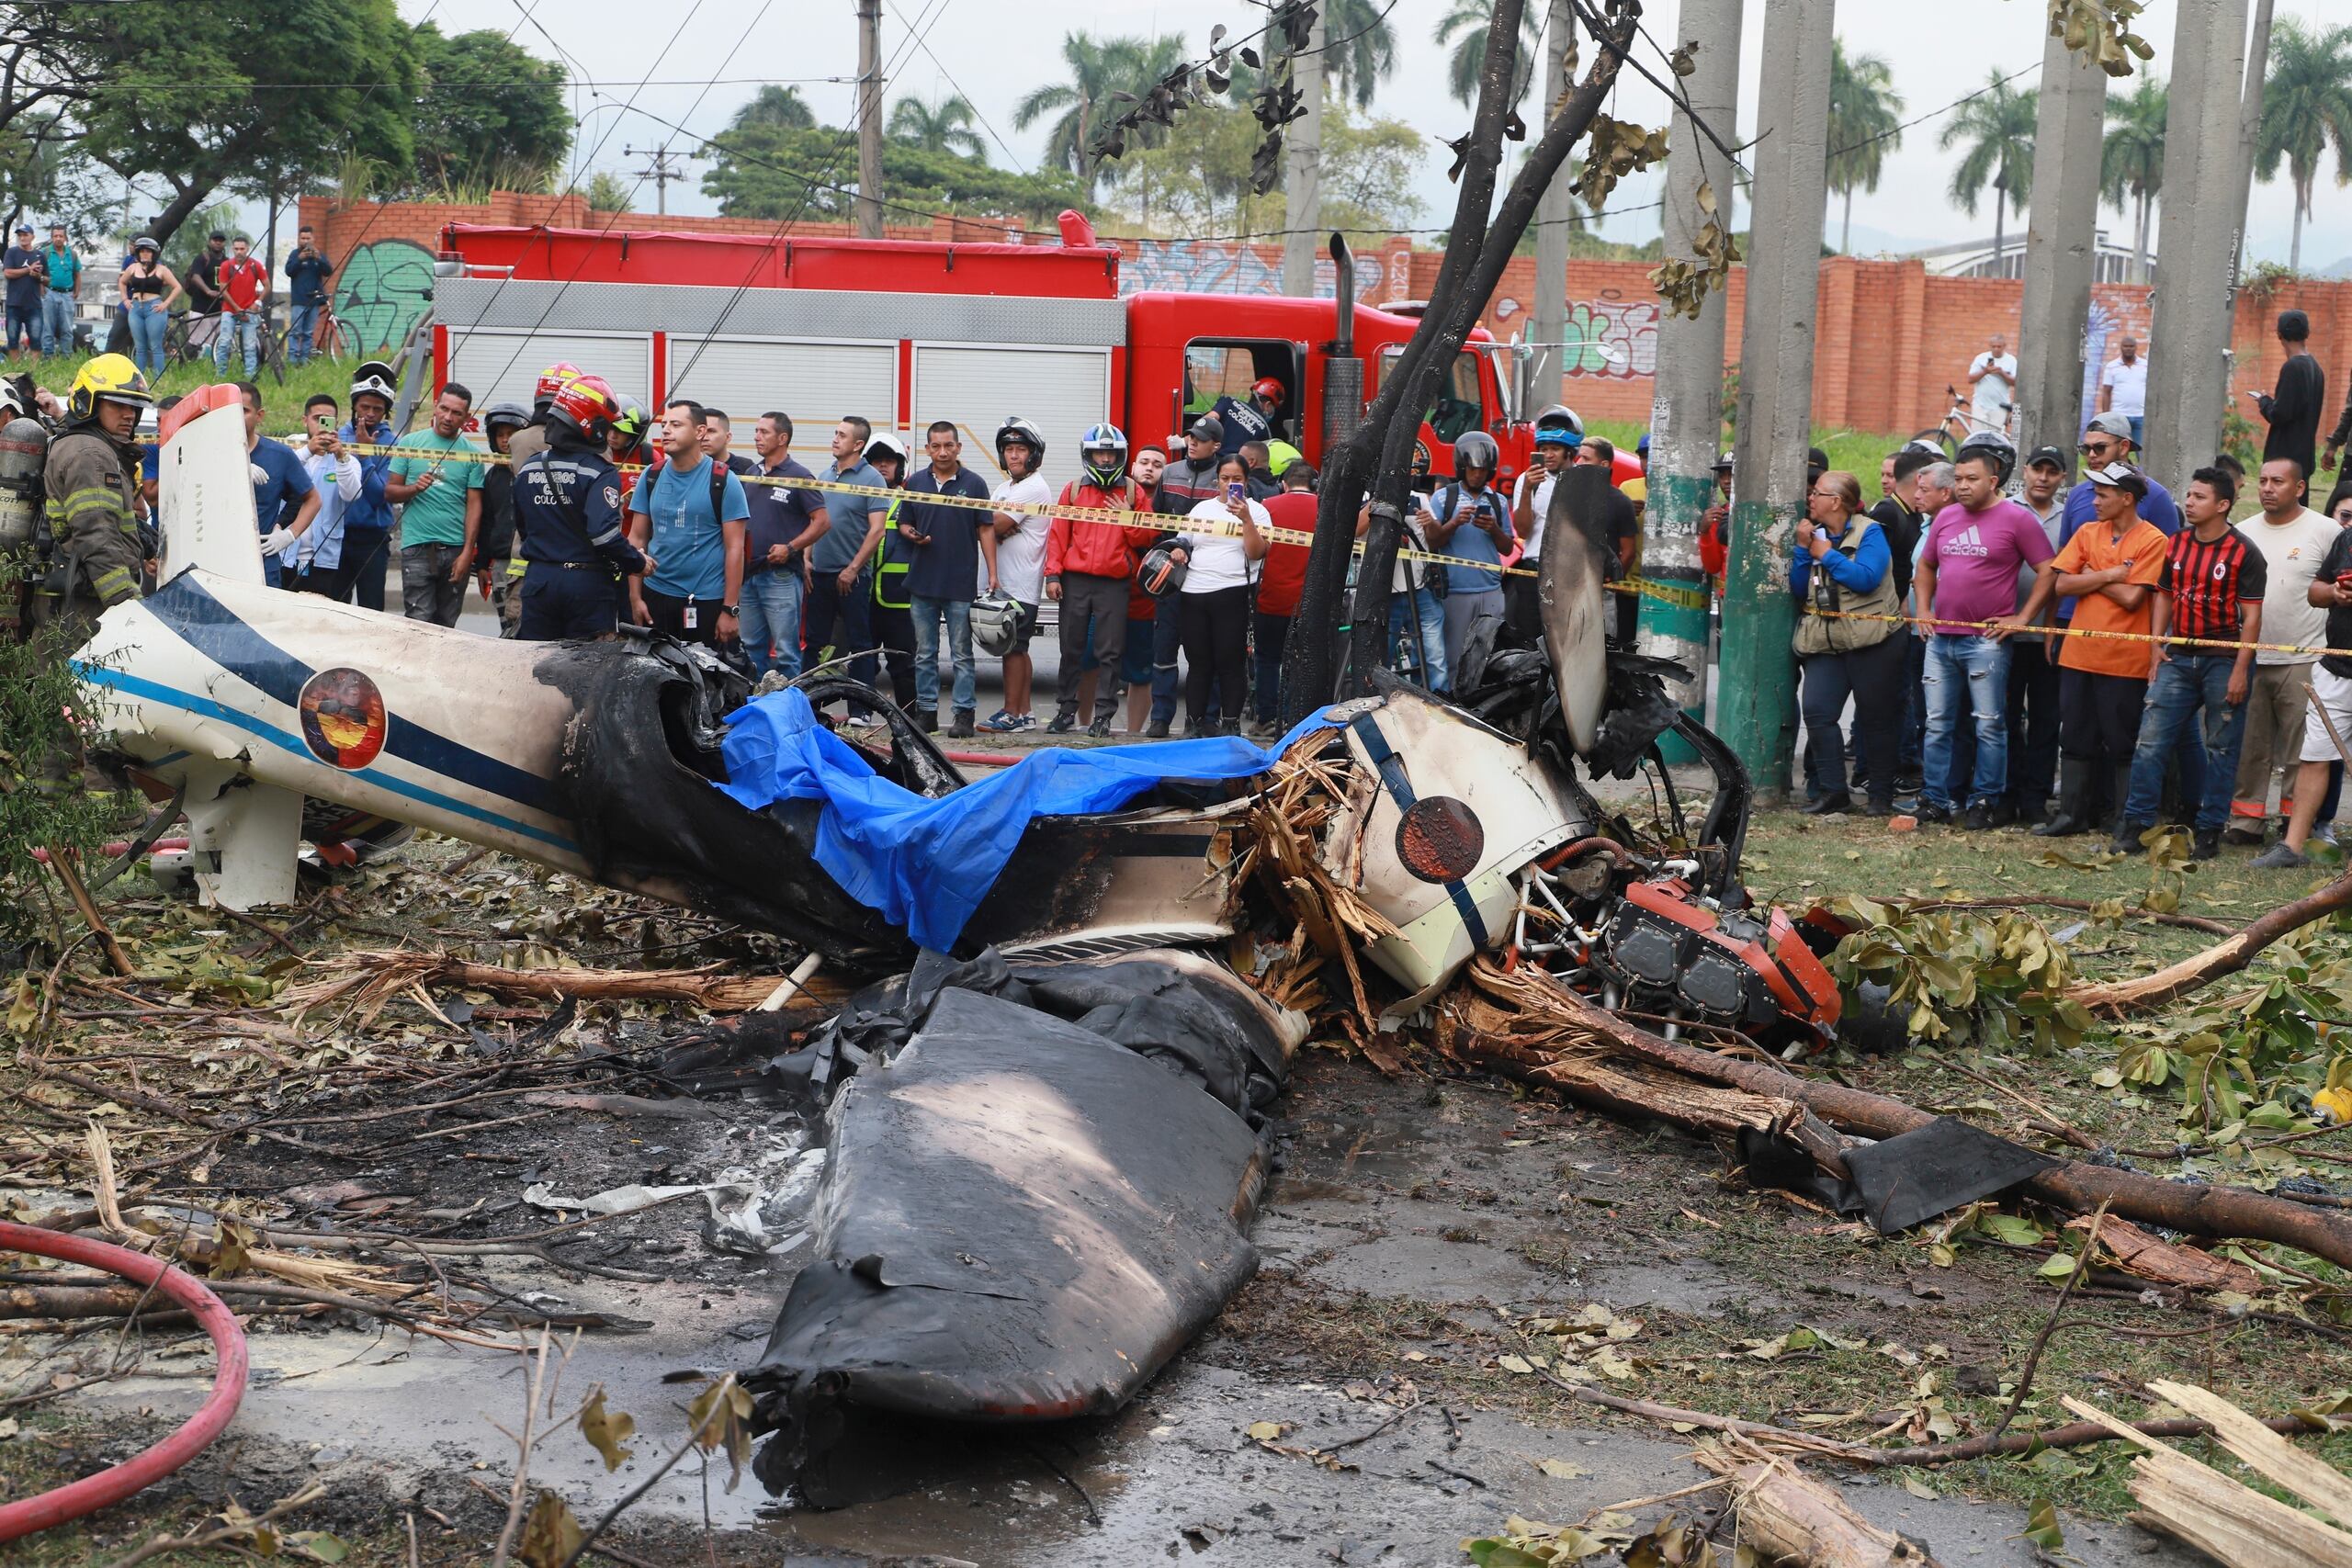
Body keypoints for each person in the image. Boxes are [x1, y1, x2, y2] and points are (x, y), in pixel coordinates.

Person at [2115, 468, 2264, 861]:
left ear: (2223, 505)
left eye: (2199, 497)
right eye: (2189, 495)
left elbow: (2252, 617)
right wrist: (2155, 646)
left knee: (2222, 749)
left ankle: (2210, 829)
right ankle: (2135, 825)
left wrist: (2239, 670)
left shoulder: (2245, 552)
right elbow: (2163, 596)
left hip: (2225, 659)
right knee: (2150, 742)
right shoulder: (2176, 543)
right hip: (2177, 658)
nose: (2189, 502)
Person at [2017, 463, 2166, 839]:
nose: (2094, 500)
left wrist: (2089, 576)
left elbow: (2134, 598)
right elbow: (2063, 585)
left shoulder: (2154, 540)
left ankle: (2122, 818)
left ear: (2127, 498)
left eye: (2102, 494)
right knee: (2076, 736)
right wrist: (2111, 574)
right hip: (2079, 653)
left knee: (2121, 740)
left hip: (2123, 658)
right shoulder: (2086, 531)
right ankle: (2072, 815)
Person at [1914, 446, 2055, 828]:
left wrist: (2023, 617)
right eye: (1958, 479)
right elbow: (1926, 566)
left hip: (1986, 643)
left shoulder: (2017, 519)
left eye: (1971, 479)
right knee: (1938, 722)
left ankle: (1985, 801)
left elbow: (2048, 570)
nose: (1962, 486)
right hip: (1941, 639)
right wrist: (1923, 609)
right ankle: (1936, 799)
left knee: (1990, 723)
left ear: (1993, 481)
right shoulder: (1946, 518)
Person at [2227, 457, 2335, 841]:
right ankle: (2245, 822)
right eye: (2263, 481)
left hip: (2305, 658)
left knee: (2300, 749)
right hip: (2252, 658)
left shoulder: (2325, 531)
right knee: (2250, 747)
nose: (2268, 488)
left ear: (2300, 487)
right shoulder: (2241, 532)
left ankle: (2293, 821)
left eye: (2278, 481)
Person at [1791, 470, 1904, 816]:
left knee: (1877, 719)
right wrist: (1801, 549)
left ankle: (1881, 797)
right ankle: (1832, 791)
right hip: (1827, 640)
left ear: (1836, 502)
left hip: (1875, 640)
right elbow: (1799, 590)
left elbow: (1867, 579)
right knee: (1818, 712)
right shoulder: (1813, 535)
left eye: (1818, 494)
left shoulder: (1870, 532)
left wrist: (1826, 554)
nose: (1811, 498)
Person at [514, 374, 652, 642]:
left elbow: (523, 526)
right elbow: (604, 535)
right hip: (586, 587)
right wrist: (638, 562)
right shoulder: (598, 472)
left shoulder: (529, 467)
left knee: (534, 668)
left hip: (538, 581)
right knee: (586, 674)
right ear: (593, 425)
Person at [2254, 507, 2352, 868]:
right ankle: (2293, 847)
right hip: (2336, 669)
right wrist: (2336, 593)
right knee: (2314, 757)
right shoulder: (2347, 538)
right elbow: (2315, 591)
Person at [29, 354, 149, 641]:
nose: (129, 414)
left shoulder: (84, 445)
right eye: (117, 404)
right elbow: (96, 538)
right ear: (88, 403)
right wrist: (128, 607)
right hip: (81, 609)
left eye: (133, 405)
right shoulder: (92, 456)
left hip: (69, 603)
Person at [1045, 423, 1143, 738]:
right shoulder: (1074, 490)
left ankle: (1103, 716)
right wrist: (1053, 574)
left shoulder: (1132, 491)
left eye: (1110, 453)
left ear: (1121, 456)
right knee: (1071, 648)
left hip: (1114, 582)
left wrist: (1129, 516)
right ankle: (1065, 711)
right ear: (1088, 455)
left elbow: (1146, 537)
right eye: (1099, 453)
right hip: (1075, 580)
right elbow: (1058, 535)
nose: (1104, 460)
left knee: (1110, 652)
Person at [897, 419, 994, 736]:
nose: (942, 451)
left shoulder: (975, 484)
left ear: (958, 447)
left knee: (962, 654)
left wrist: (992, 573)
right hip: (922, 582)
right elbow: (903, 522)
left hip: (960, 582)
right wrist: (912, 535)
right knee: (924, 653)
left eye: (948, 445)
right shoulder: (915, 483)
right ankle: (926, 711)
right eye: (936, 446)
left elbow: (985, 529)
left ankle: (964, 714)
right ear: (927, 449)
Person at [628, 400, 749, 650]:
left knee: (703, 679)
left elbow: (735, 548)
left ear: (699, 432)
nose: (665, 430)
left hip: (705, 601)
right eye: (663, 425)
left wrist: (730, 608)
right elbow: (637, 539)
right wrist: (635, 596)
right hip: (655, 595)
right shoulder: (651, 476)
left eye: (676, 424)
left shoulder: (723, 480)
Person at [1170, 453, 1270, 735]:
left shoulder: (1258, 511)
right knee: (1198, 661)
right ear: (1217, 481)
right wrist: (1178, 550)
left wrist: (1246, 518)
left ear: (1246, 482)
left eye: (1236, 479)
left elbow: (1257, 552)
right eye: (1225, 479)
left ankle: (1230, 722)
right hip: (1194, 591)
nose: (1229, 485)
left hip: (1233, 590)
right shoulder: (1201, 509)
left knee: (1230, 660)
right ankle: (1194, 722)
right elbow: (1184, 542)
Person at [2005, 446, 2071, 823]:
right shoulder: (2006, 510)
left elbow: (2062, 575)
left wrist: (2052, 626)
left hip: (2050, 633)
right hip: (2007, 632)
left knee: (2047, 720)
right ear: (2025, 472)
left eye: (2052, 471)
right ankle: (2006, 792)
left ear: (2062, 477)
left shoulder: (2070, 517)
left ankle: (2035, 799)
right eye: (2037, 470)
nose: (2043, 478)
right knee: (2006, 718)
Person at [1148, 415, 1227, 734]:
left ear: (1216, 446)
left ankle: (1207, 718)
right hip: (1169, 574)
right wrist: (1158, 558)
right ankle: (1160, 718)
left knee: (1204, 653)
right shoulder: (1170, 473)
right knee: (1163, 650)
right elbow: (1156, 521)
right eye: (1191, 437)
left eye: (1200, 439)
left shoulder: (1223, 478)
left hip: (1207, 577)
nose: (1192, 442)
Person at [387, 381, 487, 626]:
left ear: (467, 417)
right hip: (417, 547)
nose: (448, 417)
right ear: (434, 406)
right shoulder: (410, 443)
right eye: (444, 409)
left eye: (456, 413)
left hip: (455, 550)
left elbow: (475, 506)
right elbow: (389, 492)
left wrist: (467, 553)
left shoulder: (472, 454)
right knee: (418, 623)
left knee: (447, 625)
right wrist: (413, 488)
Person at [739, 411, 828, 679]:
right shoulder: (752, 473)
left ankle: (789, 709)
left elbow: (822, 522)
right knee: (751, 648)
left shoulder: (799, 475)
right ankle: (758, 706)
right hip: (749, 574)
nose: (757, 437)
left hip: (781, 576)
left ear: (783, 438)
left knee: (786, 651)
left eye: (764, 432)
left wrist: (790, 548)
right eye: (756, 431)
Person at [1357, 445, 1449, 695]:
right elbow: (1355, 531)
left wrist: (1431, 525)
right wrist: (1379, 501)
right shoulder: (1367, 501)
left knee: (1435, 657)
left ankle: (1439, 704)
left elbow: (1436, 540)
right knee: (1382, 659)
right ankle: (1380, 703)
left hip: (1421, 590)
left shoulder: (1419, 499)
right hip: (1386, 594)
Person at [1426, 431, 1515, 678]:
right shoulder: (1444, 498)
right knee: (1454, 657)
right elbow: (1432, 541)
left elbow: (1507, 548)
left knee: (1489, 655)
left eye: (1483, 470)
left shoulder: (1497, 501)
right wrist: (1454, 523)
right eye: (1472, 469)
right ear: (1462, 467)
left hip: (1491, 589)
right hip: (1456, 591)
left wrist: (1493, 528)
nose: (1477, 474)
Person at [983, 417, 1053, 730]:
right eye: (1009, 449)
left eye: (1020, 449)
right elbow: (991, 526)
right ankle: (1024, 713)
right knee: (1018, 648)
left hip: (1020, 583)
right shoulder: (1005, 487)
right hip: (1008, 582)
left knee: (1011, 649)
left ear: (1033, 453)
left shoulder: (1034, 487)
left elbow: (992, 526)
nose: (1013, 455)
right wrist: (992, 526)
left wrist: (992, 526)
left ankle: (1010, 714)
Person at [809, 415, 888, 683]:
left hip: (852, 578)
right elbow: (815, 521)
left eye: (842, 435)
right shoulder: (825, 475)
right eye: (835, 433)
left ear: (858, 445)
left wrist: (853, 568)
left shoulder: (873, 479)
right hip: (819, 574)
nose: (835, 438)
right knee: (814, 642)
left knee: (860, 644)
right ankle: (810, 704)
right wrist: (807, 559)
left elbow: (877, 529)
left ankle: (860, 709)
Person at [1251, 460, 1316, 738]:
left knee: (1267, 659)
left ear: (1284, 483)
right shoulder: (1324, 506)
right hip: (1308, 601)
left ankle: (1266, 718)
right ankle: (1293, 719)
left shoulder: (1267, 506)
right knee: (1301, 662)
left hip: (1272, 597)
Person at [238, 381, 318, 589]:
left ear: (259, 415)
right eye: (230, 410)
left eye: (244, 410)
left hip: (262, 561)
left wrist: (289, 535)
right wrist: (236, 463)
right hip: (219, 559)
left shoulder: (279, 455)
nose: (236, 416)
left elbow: (313, 500)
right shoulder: (212, 451)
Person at [289, 393, 366, 601]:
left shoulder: (348, 461)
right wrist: (308, 451)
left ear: (336, 424)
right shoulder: (292, 451)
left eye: (328, 420)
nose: (322, 426)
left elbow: (352, 495)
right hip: (285, 552)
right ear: (305, 420)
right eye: (316, 419)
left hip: (323, 556)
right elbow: (279, 474)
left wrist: (341, 458)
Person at [862, 433, 920, 709]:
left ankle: (909, 718)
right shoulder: (859, 498)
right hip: (863, 595)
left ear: (901, 466)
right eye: (876, 462)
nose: (882, 467)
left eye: (888, 461)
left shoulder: (912, 499)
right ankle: (862, 716)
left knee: (903, 663)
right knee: (863, 662)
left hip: (900, 597)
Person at [339, 362, 399, 613]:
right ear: (354, 406)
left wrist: (364, 455)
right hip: (337, 538)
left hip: (372, 538)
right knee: (334, 608)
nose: (370, 414)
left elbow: (378, 496)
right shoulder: (338, 437)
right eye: (364, 407)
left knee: (371, 611)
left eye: (378, 409)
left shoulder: (393, 442)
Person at [2065, 413, 2178, 538]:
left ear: (2124, 447)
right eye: (2086, 449)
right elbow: (2064, 552)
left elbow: (2171, 552)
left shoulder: (2156, 495)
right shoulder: (2076, 495)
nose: (2091, 455)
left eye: (2100, 447)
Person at [1509, 423, 1574, 638]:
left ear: (1569, 452)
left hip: (1568, 571)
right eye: (1543, 449)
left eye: (1554, 448)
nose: (1548, 454)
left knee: (1565, 638)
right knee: (1529, 637)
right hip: (1533, 570)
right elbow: (1523, 531)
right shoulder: (1526, 480)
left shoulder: (1580, 481)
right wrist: (1527, 489)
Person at [1577, 436, 1640, 647]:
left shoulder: (1620, 502)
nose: (1578, 462)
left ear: (1604, 465)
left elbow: (1628, 552)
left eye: (1586, 458)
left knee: (1603, 651)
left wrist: (1609, 581)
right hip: (1570, 590)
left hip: (1604, 596)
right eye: (1578, 457)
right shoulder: (1570, 498)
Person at [2248, 309, 2324, 485]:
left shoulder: (2293, 367)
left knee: (2284, 512)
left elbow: (2280, 414)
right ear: (2307, 333)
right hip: (2303, 457)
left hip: (2285, 461)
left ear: (2279, 334)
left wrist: (2264, 401)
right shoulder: (2315, 367)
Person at [474, 403, 529, 636]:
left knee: (525, 624)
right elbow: (486, 522)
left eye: (511, 434)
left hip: (527, 563)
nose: (505, 440)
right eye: (500, 435)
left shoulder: (530, 471)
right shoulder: (493, 475)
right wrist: (482, 565)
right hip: (499, 565)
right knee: (505, 625)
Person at [116, 237, 180, 382]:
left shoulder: (161, 269)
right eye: (142, 251)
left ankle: (158, 378)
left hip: (154, 307)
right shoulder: (133, 268)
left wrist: (165, 304)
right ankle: (139, 380)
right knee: (140, 346)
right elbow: (122, 281)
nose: (145, 254)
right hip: (136, 307)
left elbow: (177, 287)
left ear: (154, 253)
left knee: (155, 345)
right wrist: (125, 299)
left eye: (148, 251)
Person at [211, 236, 266, 379]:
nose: (239, 252)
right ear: (232, 249)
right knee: (224, 343)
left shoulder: (256, 265)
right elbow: (223, 289)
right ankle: (220, 374)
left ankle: (250, 375)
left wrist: (258, 302)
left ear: (247, 249)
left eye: (242, 249)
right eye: (236, 249)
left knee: (249, 345)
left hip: (250, 309)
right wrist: (236, 308)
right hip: (229, 310)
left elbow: (268, 286)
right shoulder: (226, 266)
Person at [282, 225, 333, 367]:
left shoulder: (319, 255)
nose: (305, 241)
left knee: (308, 332)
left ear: (313, 239)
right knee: (295, 331)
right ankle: (292, 359)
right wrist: (299, 259)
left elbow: (328, 271)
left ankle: (304, 360)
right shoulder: (294, 254)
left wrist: (319, 259)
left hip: (314, 300)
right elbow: (289, 271)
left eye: (308, 238)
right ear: (299, 239)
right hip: (299, 300)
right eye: (303, 238)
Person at [1209, 377, 1283, 459]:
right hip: (1236, 468)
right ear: (1267, 405)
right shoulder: (1264, 429)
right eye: (1274, 408)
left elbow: (1207, 420)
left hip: (1211, 461)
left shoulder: (1228, 402)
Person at [36, 222, 80, 358]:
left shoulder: (72, 254)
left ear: (65, 237)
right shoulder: (45, 252)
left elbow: (77, 274)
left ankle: (66, 356)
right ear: (52, 237)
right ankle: (47, 357)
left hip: (67, 295)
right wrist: (42, 290)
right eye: (55, 236)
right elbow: (39, 273)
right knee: (48, 328)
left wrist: (76, 292)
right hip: (50, 293)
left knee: (67, 329)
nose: (58, 238)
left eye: (61, 236)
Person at [2098, 334, 2147, 450]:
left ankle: (2140, 469)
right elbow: (2106, 392)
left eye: (2131, 346)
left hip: (2141, 415)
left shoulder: (2145, 365)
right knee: (2116, 449)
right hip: (2119, 416)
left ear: (2136, 348)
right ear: (2121, 347)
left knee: (2142, 451)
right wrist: (2106, 416)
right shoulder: (2112, 366)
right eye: (2126, 346)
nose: (2128, 348)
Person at [1966, 330, 2017, 437]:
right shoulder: (1980, 358)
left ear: (2004, 346)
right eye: (1993, 346)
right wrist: (1985, 371)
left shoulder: (2011, 360)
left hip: (2000, 405)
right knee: (1977, 436)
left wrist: (2001, 373)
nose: (1996, 349)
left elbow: (2015, 382)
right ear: (1990, 346)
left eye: (1999, 347)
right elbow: (1970, 379)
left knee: (1995, 437)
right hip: (1980, 404)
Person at [3, 223, 40, 361]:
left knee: (36, 340)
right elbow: (7, 272)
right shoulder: (11, 252)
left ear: (32, 236)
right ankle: (15, 368)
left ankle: (33, 369)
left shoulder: (39, 255)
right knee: (12, 339)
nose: (22, 238)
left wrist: (39, 277)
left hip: (34, 304)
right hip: (14, 303)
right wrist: (28, 269)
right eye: (20, 235)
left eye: (25, 235)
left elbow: (47, 279)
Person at [698, 409, 760, 479]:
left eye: (711, 431)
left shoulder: (746, 468)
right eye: (700, 431)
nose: (704, 438)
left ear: (727, 437)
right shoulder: (688, 468)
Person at [183, 232, 229, 318]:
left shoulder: (227, 261)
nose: (218, 243)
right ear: (209, 242)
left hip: (221, 311)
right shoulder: (202, 258)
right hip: (200, 310)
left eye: (221, 241)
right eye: (215, 240)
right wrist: (208, 291)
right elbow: (195, 276)